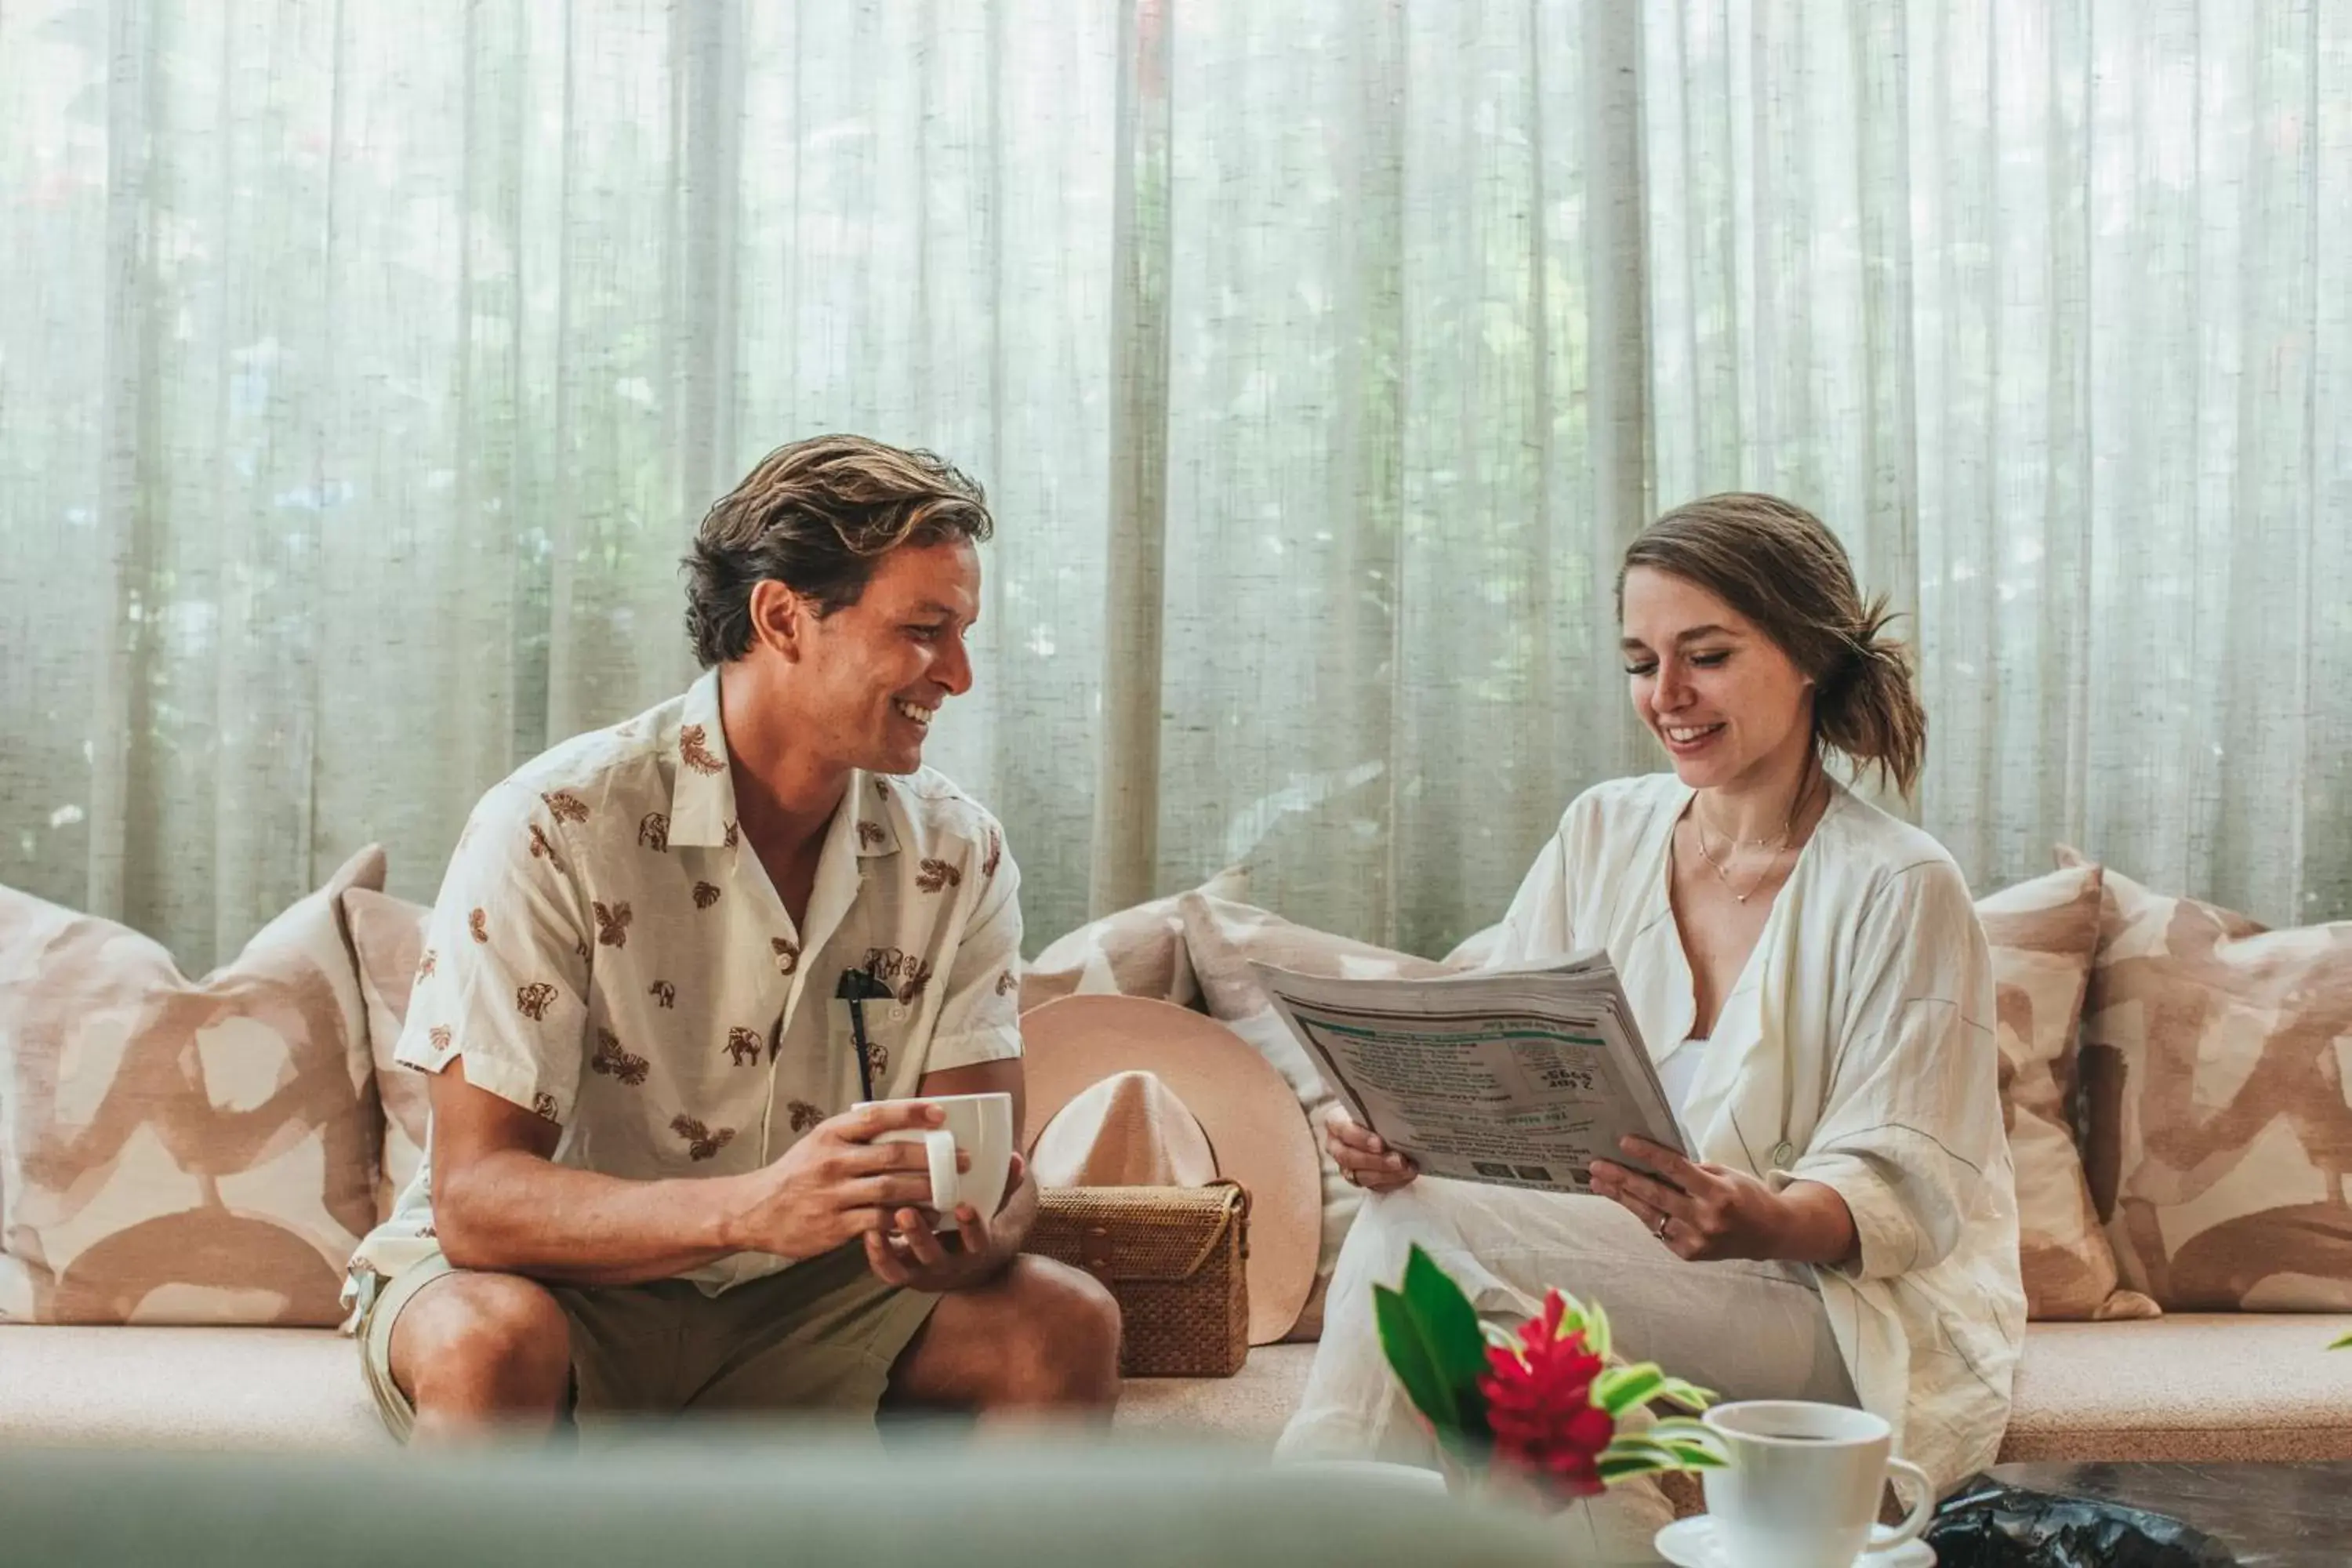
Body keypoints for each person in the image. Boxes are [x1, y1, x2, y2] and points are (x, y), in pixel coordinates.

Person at [345, 434, 1120, 1441]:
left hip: (815, 1298)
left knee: (1063, 1323)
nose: (959, 675)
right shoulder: (554, 820)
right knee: (484, 1340)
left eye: (964, 631)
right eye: (926, 629)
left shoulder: (959, 850)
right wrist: (755, 1209)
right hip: (553, 1283)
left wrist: (964, 1240)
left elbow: (995, 1185)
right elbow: (477, 1200)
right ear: (783, 617)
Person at [1279, 494, 2024, 1536]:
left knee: (1425, 1234)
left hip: (1821, 1309)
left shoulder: (1900, 884)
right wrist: (1397, 1132)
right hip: (1610, 1270)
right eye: (1641, 662)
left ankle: (1302, 1544)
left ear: (1809, 654)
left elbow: (1908, 1187)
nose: (1667, 694)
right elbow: (1497, 1037)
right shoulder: (1603, 830)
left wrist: (1758, 1214)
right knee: (1477, 1302)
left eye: (1706, 655)